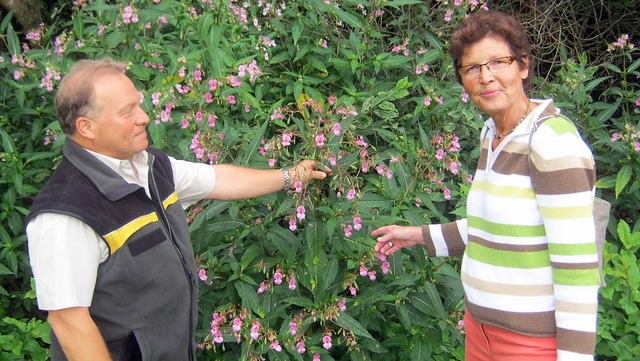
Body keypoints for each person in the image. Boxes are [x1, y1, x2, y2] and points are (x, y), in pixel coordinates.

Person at [25, 58, 329, 361]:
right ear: (87, 127)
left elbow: (218, 179)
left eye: (139, 105)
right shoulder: (64, 215)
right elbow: (69, 322)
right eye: (126, 112)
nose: (144, 117)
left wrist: (290, 176)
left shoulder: (149, 167)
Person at [372, 11, 599, 361]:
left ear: (523, 65)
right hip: (478, 331)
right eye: (472, 68)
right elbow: (499, 229)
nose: (486, 77)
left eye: (498, 62)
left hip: (530, 346)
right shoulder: (492, 135)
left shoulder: (552, 142)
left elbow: (578, 268)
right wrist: (419, 236)